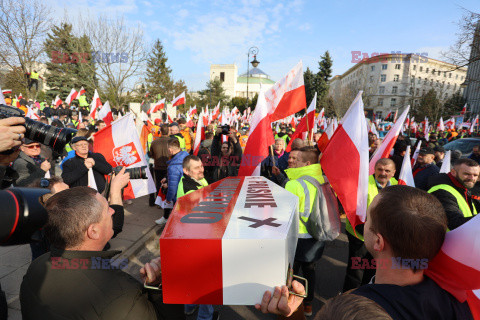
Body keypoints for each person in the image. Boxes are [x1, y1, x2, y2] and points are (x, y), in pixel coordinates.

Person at [258, 186, 473, 320]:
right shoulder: (457, 298)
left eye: (368, 218)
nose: (363, 221)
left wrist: (291, 315)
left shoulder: (350, 311)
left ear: (378, 241)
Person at [19, 187, 185, 319]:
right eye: (107, 209)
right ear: (94, 231)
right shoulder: (120, 296)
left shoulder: (38, 266)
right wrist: (159, 288)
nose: (113, 211)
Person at [343, 158, 397, 292]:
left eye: (387, 170)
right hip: (360, 236)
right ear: (375, 169)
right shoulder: (362, 184)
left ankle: (365, 296)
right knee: (356, 269)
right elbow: (352, 211)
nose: (383, 173)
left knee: (372, 268)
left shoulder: (398, 184)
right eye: (380, 169)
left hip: (382, 239)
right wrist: (370, 234)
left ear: (393, 173)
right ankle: (349, 298)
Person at [283, 147, 325, 316]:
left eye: (297, 160)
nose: (292, 162)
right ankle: (308, 305)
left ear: (307, 163)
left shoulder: (293, 184)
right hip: (318, 234)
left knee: (289, 272)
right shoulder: (323, 179)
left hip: (296, 236)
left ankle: (286, 304)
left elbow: (284, 211)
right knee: (310, 271)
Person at [428, 158, 479, 230]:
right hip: (445, 239)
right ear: (453, 172)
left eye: (475, 175)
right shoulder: (442, 191)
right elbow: (454, 223)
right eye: (467, 174)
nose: (472, 178)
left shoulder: (463, 187)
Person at [156, 138, 189, 225]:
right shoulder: (186, 156)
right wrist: (167, 178)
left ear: (170, 150)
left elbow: (173, 188)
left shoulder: (174, 166)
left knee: (180, 221)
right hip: (189, 193)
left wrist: (168, 199)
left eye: (167, 149)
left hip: (180, 196)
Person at [149, 124, 170, 197]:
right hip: (169, 167)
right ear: (169, 132)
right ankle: (168, 201)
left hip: (158, 167)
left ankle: (159, 201)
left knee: (158, 184)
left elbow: (151, 155)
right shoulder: (173, 141)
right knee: (169, 184)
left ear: (160, 132)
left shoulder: (154, 142)